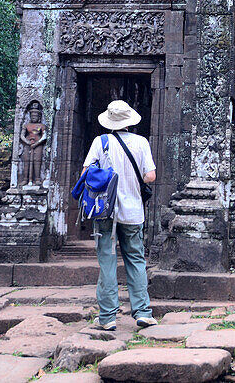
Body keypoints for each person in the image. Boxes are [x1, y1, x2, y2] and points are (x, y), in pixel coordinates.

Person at [82, 99, 157, 331]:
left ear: (109, 121)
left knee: (107, 260)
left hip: (106, 211)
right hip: (133, 212)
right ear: (129, 121)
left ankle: (107, 316)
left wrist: (107, 174)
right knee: (135, 259)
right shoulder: (141, 142)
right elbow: (150, 176)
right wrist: (130, 180)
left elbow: (86, 172)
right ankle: (143, 312)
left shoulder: (100, 141)